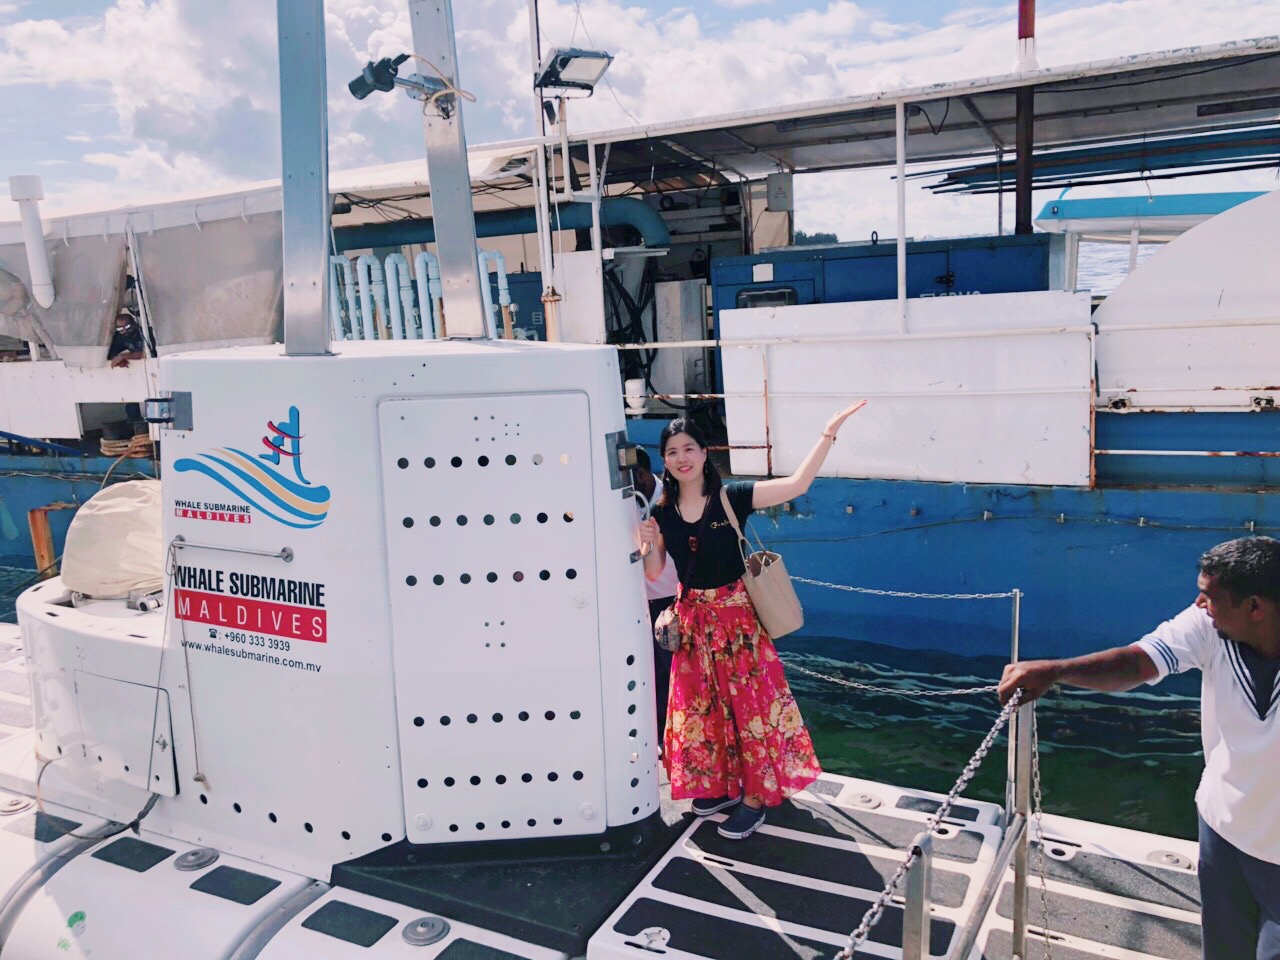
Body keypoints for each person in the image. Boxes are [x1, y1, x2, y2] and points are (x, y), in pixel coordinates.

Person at [998, 537, 1280, 960]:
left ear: (1255, 607)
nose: (1199, 604)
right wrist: (1055, 672)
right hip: (1222, 830)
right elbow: (1137, 662)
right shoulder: (1209, 626)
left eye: (1210, 596)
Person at [638, 401, 866, 839]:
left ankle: (755, 798)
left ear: (705, 452)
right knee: (704, 710)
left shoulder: (732, 497)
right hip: (693, 626)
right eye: (672, 452)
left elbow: (797, 485)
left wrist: (828, 432)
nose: (682, 458)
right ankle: (722, 786)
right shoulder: (662, 512)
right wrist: (647, 544)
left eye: (689, 448)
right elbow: (654, 574)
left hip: (737, 623)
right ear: (664, 460)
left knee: (751, 710)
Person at [632, 447, 680, 741]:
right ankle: (662, 736)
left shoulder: (669, 500)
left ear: (641, 475)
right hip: (638, 602)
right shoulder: (625, 503)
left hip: (670, 601)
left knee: (672, 672)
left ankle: (674, 735)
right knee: (651, 676)